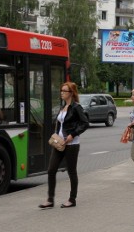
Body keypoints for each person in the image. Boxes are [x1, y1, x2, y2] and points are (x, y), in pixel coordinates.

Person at [39, 81, 88, 209]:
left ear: (71, 93)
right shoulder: (63, 107)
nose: (61, 93)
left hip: (72, 144)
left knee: (71, 172)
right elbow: (60, 124)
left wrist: (72, 135)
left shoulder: (76, 107)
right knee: (51, 170)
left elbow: (84, 123)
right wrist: (57, 135)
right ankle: (50, 200)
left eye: (64, 91)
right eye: (61, 90)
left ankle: (72, 199)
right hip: (60, 143)